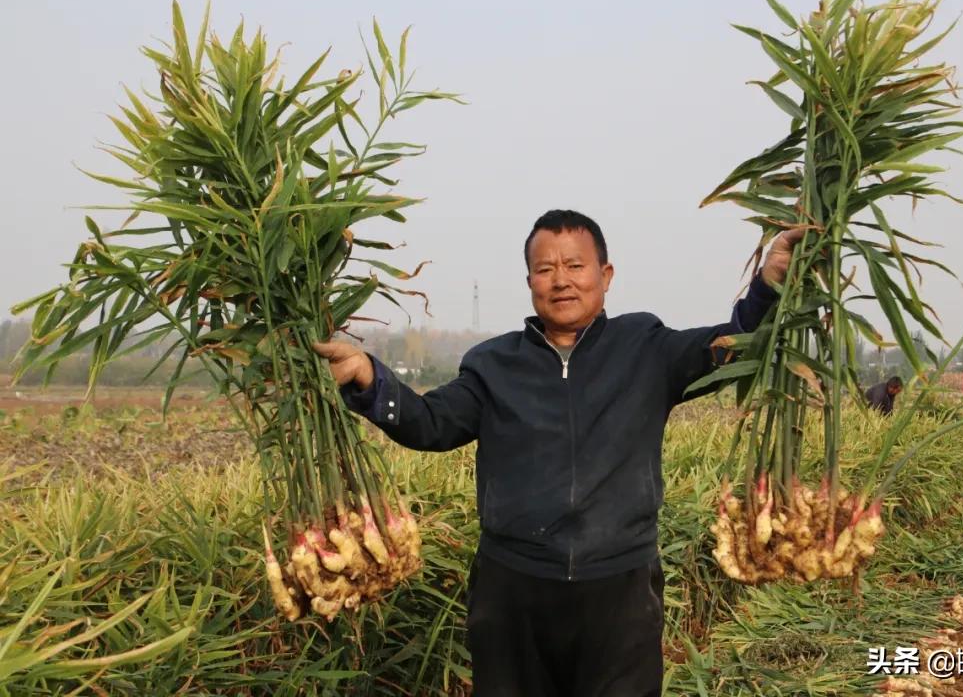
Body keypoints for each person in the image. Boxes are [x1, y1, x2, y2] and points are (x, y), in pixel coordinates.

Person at [313, 210, 802, 696]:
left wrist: (768, 284)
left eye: (575, 266)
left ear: (605, 275)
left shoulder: (647, 348)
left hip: (620, 587)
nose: (561, 281)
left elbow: (733, 346)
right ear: (529, 280)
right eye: (546, 269)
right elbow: (430, 423)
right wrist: (369, 377)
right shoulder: (493, 364)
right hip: (513, 590)